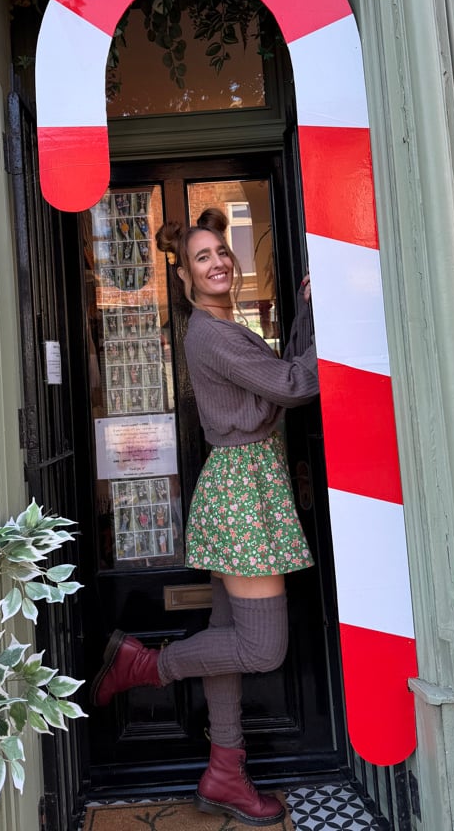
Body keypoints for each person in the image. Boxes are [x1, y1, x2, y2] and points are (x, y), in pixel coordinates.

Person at [91, 207, 319, 827]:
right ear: (185, 274)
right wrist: (333, 326)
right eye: (202, 256)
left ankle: (225, 773)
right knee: (262, 648)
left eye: (220, 250)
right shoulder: (212, 334)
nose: (217, 261)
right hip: (244, 494)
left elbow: (282, 377)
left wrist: (304, 317)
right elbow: (294, 385)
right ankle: (144, 665)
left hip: (244, 488)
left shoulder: (223, 326)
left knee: (228, 639)